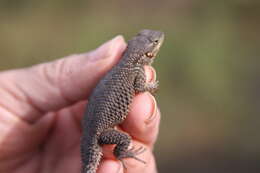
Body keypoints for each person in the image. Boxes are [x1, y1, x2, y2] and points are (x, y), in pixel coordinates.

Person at [0, 36, 161, 173]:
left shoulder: (122, 67)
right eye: (155, 42)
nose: (158, 40)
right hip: (99, 132)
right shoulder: (136, 70)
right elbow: (140, 87)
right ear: (147, 53)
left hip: (93, 127)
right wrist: (152, 86)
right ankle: (120, 154)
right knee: (125, 140)